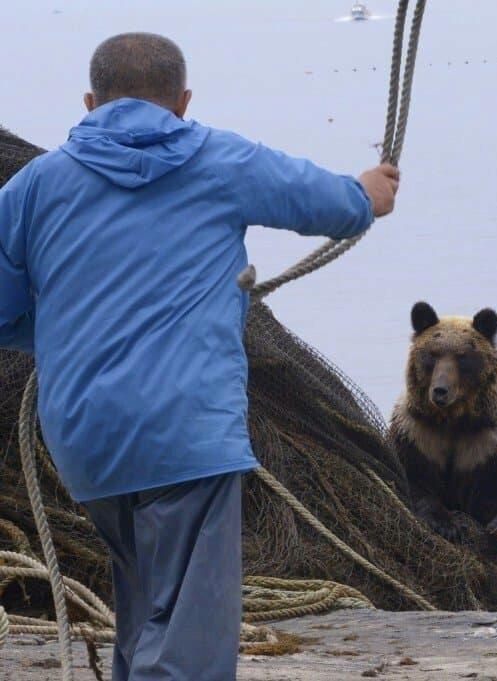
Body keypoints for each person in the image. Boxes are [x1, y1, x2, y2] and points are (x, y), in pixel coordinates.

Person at [0, 32, 399, 681]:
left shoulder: (36, 186)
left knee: (144, 606)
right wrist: (368, 194)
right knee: (189, 638)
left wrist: (65, 335)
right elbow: (328, 204)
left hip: (85, 438)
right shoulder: (220, 160)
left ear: (89, 101)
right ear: (182, 102)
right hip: (185, 430)